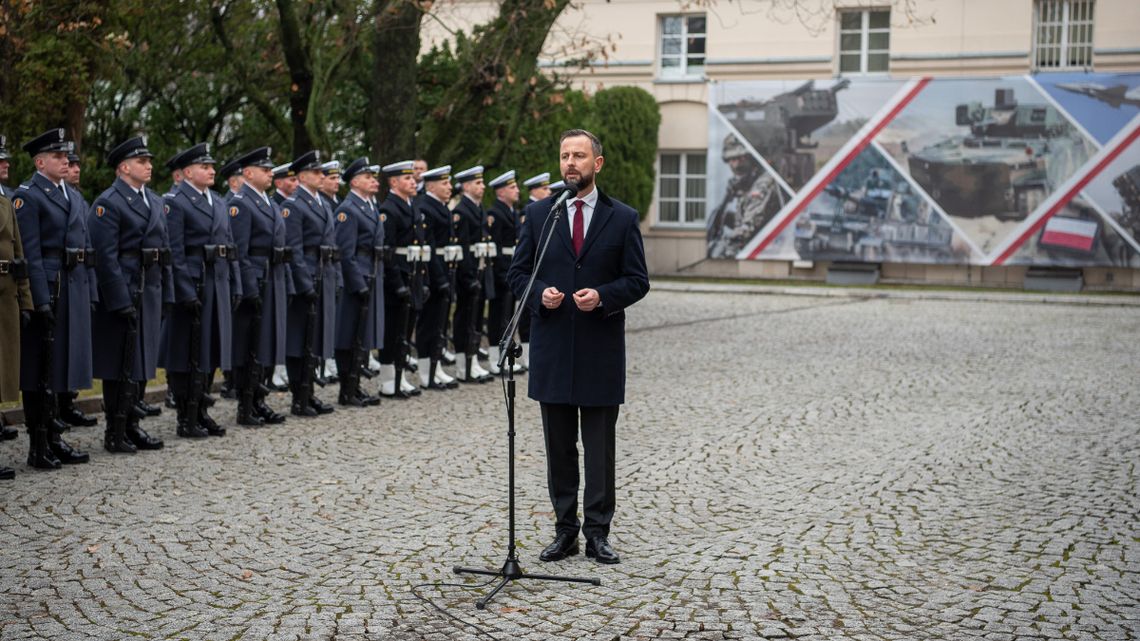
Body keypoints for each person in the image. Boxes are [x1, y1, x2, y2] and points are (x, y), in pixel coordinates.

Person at [508, 129, 650, 565]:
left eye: (579, 156)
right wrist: (541, 296)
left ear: (597, 164)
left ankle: (598, 533)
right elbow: (518, 275)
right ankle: (564, 529)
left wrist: (604, 296)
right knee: (560, 448)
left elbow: (638, 280)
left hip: (600, 349)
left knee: (599, 446)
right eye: (565, 155)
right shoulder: (540, 215)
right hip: (553, 348)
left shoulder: (622, 218)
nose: (570, 163)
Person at [13, 128, 95, 469]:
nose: (65, 161)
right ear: (39, 161)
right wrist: (39, 300)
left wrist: (89, 291)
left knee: (60, 364)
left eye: (67, 156)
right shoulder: (29, 196)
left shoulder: (72, 196)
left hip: (73, 285)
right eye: (58, 156)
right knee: (40, 370)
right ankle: (38, 442)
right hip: (49, 286)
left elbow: (86, 248)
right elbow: (28, 251)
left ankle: (55, 437)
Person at [88, 136, 171, 453]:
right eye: (141, 161)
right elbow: (105, 257)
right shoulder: (109, 202)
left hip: (149, 288)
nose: (149, 166)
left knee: (142, 361)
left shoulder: (153, 199)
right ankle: (115, 429)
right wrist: (119, 299)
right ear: (124, 167)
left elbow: (164, 250)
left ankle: (133, 425)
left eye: (149, 161)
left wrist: (166, 291)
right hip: (125, 289)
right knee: (120, 363)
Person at [161, 142, 239, 438]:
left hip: (217, 281)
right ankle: (186, 413)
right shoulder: (176, 201)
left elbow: (229, 247)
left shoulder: (217, 201)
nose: (211, 171)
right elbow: (175, 251)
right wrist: (184, 291)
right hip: (194, 283)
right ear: (187, 172)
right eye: (205, 167)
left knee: (211, 349)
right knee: (188, 352)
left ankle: (202, 409)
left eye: (212, 166)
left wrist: (235, 284)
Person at [229, 147, 289, 427]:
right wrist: (248, 287)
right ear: (248, 173)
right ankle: (246, 403)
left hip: (272, 278)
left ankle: (259, 399)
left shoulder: (269, 202)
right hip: (256, 280)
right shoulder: (242, 203)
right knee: (249, 344)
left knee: (265, 341)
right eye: (265, 170)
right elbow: (239, 251)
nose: (270, 174)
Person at [281, 150, 337, 416]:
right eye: (316, 172)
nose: (321, 176)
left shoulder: (322, 204)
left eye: (321, 172)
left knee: (314, 337)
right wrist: (304, 284)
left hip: (323, 273)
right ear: (302, 176)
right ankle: (298, 395)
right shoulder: (293, 205)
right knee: (300, 338)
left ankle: (309, 392)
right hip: (307, 277)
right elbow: (294, 249)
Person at [333, 159, 384, 407]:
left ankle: (355, 386)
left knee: (361, 335)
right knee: (348, 334)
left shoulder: (369, 207)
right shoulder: (348, 209)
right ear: (354, 181)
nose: (374, 180)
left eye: (373, 176)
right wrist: (357, 283)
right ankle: (346, 388)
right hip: (356, 279)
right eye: (368, 176)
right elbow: (345, 252)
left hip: (370, 274)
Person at [377, 160, 425, 399]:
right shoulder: (389, 209)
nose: (413, 181)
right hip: (397, 278)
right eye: (407, 178)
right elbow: (388, 252)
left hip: (413, 274)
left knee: (406, 329)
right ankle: (387, 377)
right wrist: (397, 284)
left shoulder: (412, 206)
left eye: (413, 178)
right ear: (394, 182)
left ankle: (400, 374)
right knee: (392, 329)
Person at [414, 165, 459, 391]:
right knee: (429, 324)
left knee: (440, 323)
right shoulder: (426, 207)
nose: (449, 187)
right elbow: (429, 248)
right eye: (444, 183)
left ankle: (436, 365)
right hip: (433, 272)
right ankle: (425, 371)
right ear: (431, 186)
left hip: (446, 268)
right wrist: (439, 278)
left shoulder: (441, 207)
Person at [0, 174, 32, 478]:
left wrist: (25, 300)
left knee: (2, 373)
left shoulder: (6, 202)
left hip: (6, 296)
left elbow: (19, 255)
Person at [451, 166, 493, 383]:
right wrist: (468, 278)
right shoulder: (462, 210)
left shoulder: (479, 208)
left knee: (476, 319)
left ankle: (473, 358)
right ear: (466, 186)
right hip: (467, 275)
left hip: (481, 271)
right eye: (478, 183)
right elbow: (464, 248)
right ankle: (462, 363)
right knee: (465, 317)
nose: (483, 186)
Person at [485, 170, 522, 374]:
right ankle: (494, 356)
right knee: (498, 316)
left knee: (508, 316)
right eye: (512, 187)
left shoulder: (512, 212)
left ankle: (505, 352)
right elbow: (496, 248)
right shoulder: (495, 214)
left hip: (511, 268)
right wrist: (502, 274)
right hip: (502, 272)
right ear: (500, 192)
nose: (517, 190)